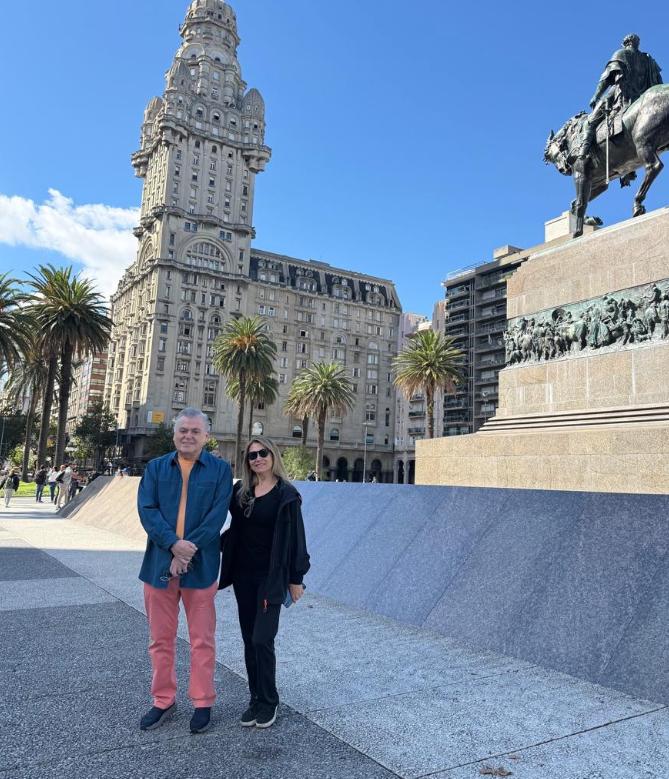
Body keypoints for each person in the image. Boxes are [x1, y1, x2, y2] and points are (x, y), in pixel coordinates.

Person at [137, 408, 232, 735]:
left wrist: (187, 551)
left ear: (207, 435)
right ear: (174, 434)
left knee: (201, 640)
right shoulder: (155, 468)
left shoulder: (220, 471)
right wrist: (172, 546)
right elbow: (147, 512)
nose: (188, 436)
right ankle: (163, 700)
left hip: (201, 568)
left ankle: (202, 701)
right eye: (182, 431)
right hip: (158, 566)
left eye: (195, 431)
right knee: (160, 639)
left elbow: (216, 516)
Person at [219, 436, 310, 729]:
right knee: (248, 639)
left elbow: (297, 540)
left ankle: (270, 701)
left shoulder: (287, 495)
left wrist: (296, 579)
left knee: (262, 638)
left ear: (273, 455)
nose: (257, 458)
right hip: (243, 576)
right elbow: (235, 530)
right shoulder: (241, 492)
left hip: (271, 578)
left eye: (263, 453)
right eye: (251, 455)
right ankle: (255, 698)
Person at [579, 34, 662, 161]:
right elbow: (658, 83)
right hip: (644, 97)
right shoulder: (648, 59)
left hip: (625, 95)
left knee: (590, 122)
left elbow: (606, 79)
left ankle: (583, 151)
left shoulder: (621, 54)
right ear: (637, 43)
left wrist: (596, 96)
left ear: (626, 43)